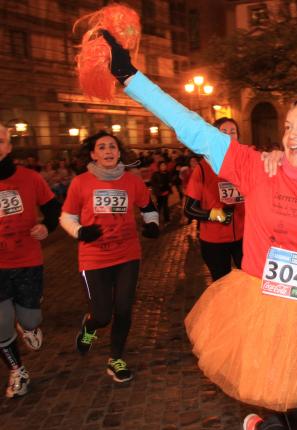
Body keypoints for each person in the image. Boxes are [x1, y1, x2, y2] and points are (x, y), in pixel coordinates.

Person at [99, 29, 297, 430]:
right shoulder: (255, 168)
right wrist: (131, 77)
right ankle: (266, 428)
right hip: (262, 309)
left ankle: (261, 429)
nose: (291, 133)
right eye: (287, 125)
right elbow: (190, 126)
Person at [59, 131, 160, 383]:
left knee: (124, 309)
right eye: (101, 147)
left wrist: (152, 224)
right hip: (93, 258)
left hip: (127, 254)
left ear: (119, 152)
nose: (108, 151)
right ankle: (90, 328)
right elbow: (66, 217)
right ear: (93, 154)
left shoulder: (132, 181)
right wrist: (80, 231)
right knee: (102, 315)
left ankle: (116, 358)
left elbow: (148, 207)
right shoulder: (80, 182)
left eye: (112, 146)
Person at [0, 123, 61, 398]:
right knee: (0, 324)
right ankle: (17, 370)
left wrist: (46, 227)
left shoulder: (30, 178)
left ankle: (27, 326)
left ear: (9, 146)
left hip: (27, 260)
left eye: (0, 141)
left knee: (31, 317)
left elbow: (51, 209)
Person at [183, 118, 245, 281]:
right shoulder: (203, 168)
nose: (229, 136)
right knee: (221, 286)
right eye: (223, 133)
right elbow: (189, 209)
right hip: (214, 242)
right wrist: (219, 215)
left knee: (249, 281)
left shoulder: (245, 164)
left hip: (243, 237)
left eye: (233, 132)